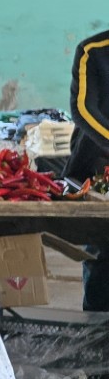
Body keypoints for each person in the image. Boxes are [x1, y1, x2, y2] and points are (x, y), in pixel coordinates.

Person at [69, 28, 109, 311]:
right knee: (102, 255)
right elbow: (83, 109)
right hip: (99, 168)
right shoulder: (93, 50)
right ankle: (97, 340)